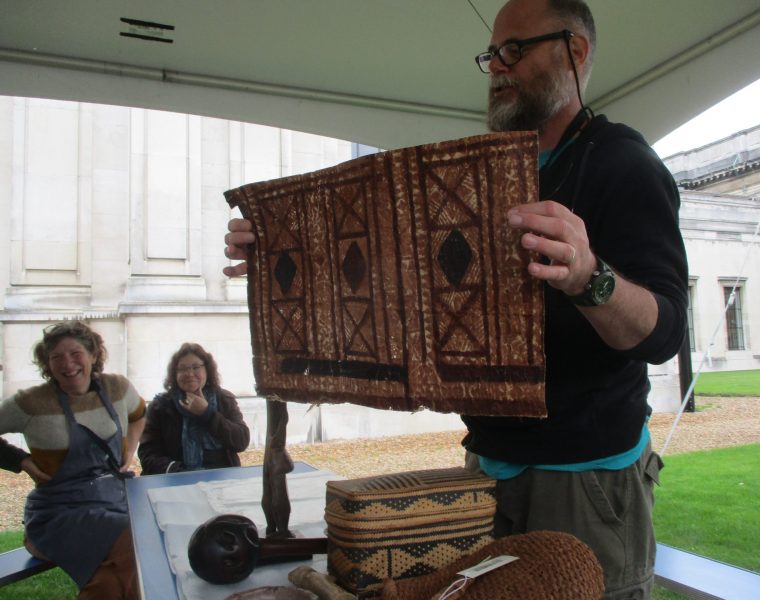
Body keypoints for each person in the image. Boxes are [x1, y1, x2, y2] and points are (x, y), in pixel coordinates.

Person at [223, 0, 688, 597]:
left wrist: (589, 276)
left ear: (574, 51)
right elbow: (396, 268)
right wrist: (284, 246)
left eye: (514, 50)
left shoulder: (623, 163)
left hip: (584, 481)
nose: (497, 66)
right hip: (485, 469)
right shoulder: (483, 176)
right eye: (491, 54)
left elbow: (665, 332)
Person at [0, 320, 146, 599]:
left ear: (93, 355)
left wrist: (129, 451)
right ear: (47, 364)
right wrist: (21, 461)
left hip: (113, 500)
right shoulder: (30, 402)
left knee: (118, 574)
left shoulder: (117, 388)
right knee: (135, 541)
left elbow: (140, 415)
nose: (68, 364)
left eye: (76, 353)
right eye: (56, 357)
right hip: (59, 511)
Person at [138, 342, 250, 475]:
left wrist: (207, 414)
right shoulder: (160, 406)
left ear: (207, 370)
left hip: (221, 481)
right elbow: (148, 454)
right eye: (182, 369)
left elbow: (241, 441)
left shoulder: (224, 399)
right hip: (175, 482)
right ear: (174, 374)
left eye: (195, 367)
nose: (189, 374)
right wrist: (178, 472)